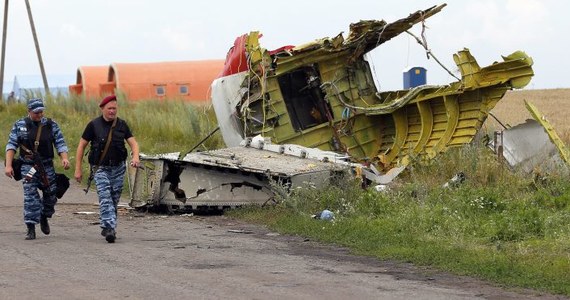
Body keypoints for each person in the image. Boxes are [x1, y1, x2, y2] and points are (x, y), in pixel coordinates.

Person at [74, 95, 140, 243]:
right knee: (105, 197)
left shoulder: (122, 125)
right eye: (109, 108)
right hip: (100, 168)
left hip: (118, 168)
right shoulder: (93, 125)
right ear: (102, 108)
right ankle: (109, 228)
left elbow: (133, 143)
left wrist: (135, 157)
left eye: (114, 108)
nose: (112, 111)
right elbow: (81, 146)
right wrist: (78, 169)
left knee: (114, 199)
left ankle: (108, 226)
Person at [4, 98, 71, 240]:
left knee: (51, 195)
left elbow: (60, 143)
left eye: (41, 111)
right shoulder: (20, 125)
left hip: (46, 166)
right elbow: (11, 146)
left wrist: (64, 158)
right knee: (30, 195)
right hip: (28, 166)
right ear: (29, 111)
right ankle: (30, 227)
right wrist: (8, 165)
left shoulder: (51, 125)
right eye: (36, 112)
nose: (39, 114)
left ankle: (44, 215)